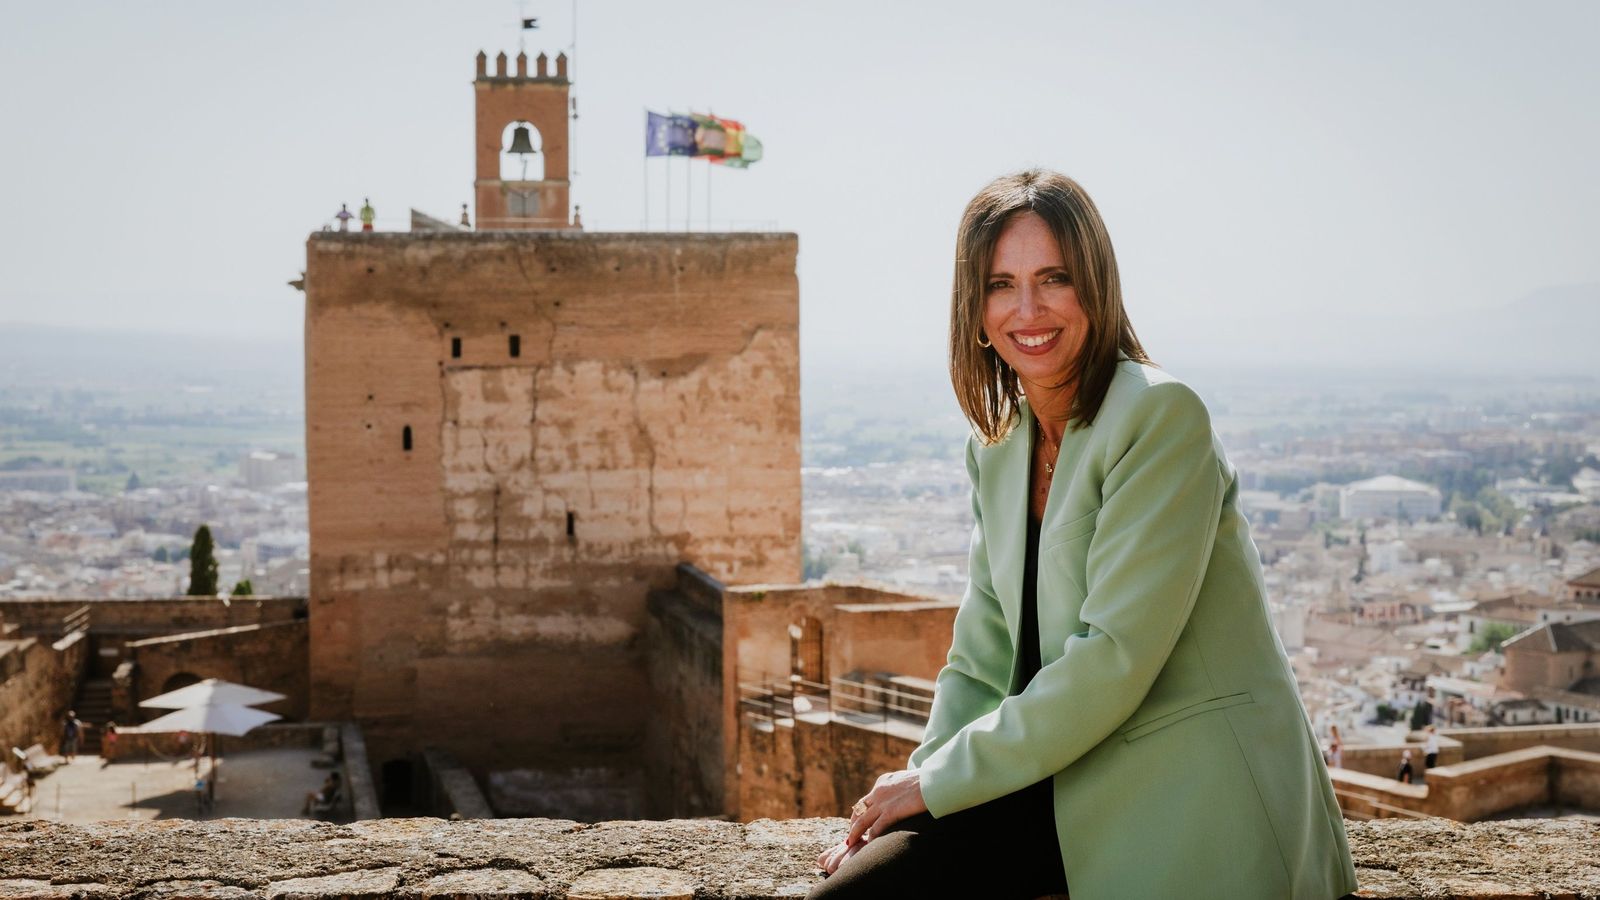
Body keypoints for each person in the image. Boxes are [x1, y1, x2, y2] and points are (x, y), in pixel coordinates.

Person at [809, 170, 1358, 900]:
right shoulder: (998, 445)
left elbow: (1115, 657)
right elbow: (980, 658)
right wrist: (920, 784)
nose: (1027, 308)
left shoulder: (1160, 416)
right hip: (1059, 771)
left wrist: (938, 783)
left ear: (1095, 287)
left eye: (1054, 278)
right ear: (974, 310)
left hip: (1183, 786)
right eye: (1001, 284)